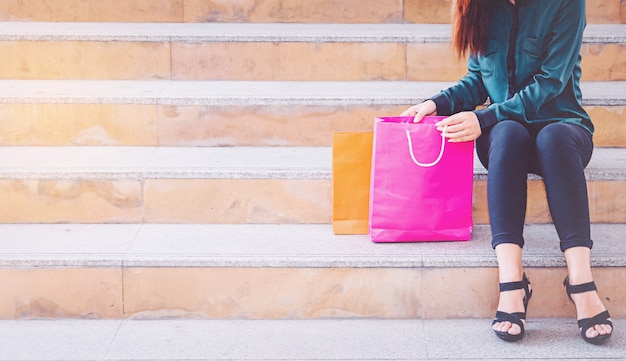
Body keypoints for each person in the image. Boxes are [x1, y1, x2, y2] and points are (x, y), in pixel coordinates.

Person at [401, 0, 613, 344]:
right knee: (508, 132)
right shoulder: (479, 6)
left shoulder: (566, 3)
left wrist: (483, 117)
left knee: (553, 136)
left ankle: (581, 281)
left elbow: (552, 80)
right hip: (505, 138)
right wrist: (436, 103)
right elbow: (478, 80)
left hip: (562, 127)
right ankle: (512, 283)